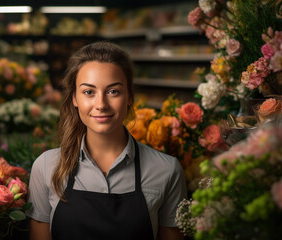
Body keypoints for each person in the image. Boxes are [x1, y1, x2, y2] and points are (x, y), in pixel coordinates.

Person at [26, 41, 187, 240]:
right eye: (88, 92)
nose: (101, 104)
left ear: (129, 96)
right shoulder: (46, 167)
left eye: (113, 91)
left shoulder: (166, 170)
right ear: (75, 98)